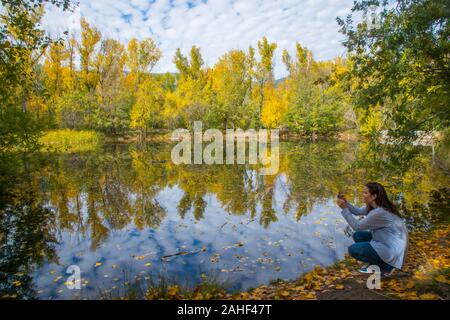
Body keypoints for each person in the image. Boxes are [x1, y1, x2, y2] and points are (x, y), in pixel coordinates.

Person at [336, 182, 408, 276]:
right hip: (390, 243)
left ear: (374, 196)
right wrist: (346, 203)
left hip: (394, 251)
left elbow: (357, 226)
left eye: (365, 193)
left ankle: (385, 267)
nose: (363, 195)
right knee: (358, 236)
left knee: (353, 249)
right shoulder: (375, 206)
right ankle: (379, 260)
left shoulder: (379, 212)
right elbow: (357, 212)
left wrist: (344, 208)